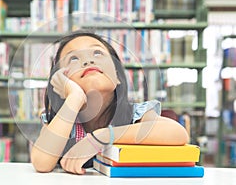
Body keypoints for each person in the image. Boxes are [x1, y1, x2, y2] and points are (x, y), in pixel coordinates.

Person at [30, 30, 189, 175]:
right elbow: (41, 163)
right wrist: (74, 98)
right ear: (61, 82)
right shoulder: (62, 121)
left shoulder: (136, 114)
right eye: (73, 58)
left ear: (117, 76)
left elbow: (178, 133)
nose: (88, 61)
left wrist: (103, 137)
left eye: (97, 53)